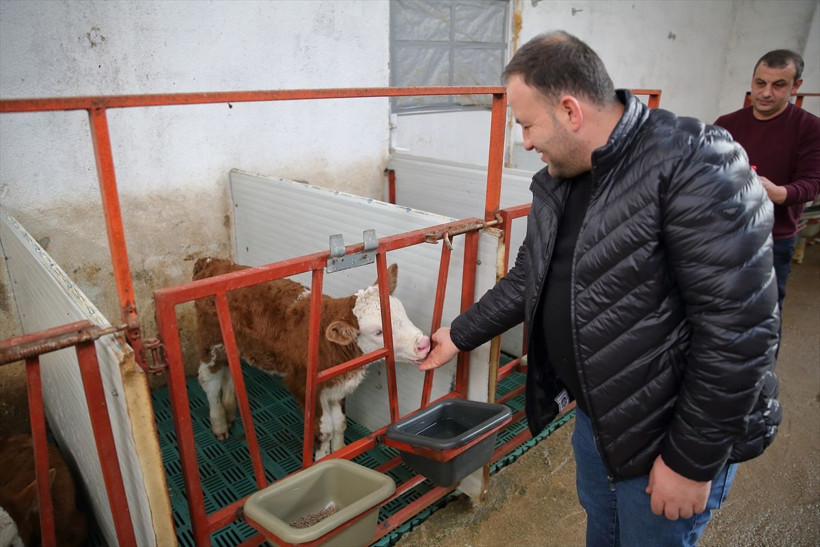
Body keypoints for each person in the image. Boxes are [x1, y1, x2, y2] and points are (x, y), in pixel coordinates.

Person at [418, 31, 781, 546]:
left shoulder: (696, 162)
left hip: (669, 432)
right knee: (604, 532)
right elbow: (531, 275)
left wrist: (690, 462)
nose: (524, 141)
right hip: (599, 416)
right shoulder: (563, 175)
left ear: (570, 110)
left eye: (525, 124)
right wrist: (457, 334)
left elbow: (741, 331)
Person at [715, 49, 820, 313]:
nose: (765, 93)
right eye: (760, 83)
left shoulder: (810, 128)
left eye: (778, 85)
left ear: (796, 86)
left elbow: (812, 182)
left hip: (773, 240)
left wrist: (778, 192)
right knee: (715, 310)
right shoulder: (725, 125)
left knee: (762, 316)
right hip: (722, 237)